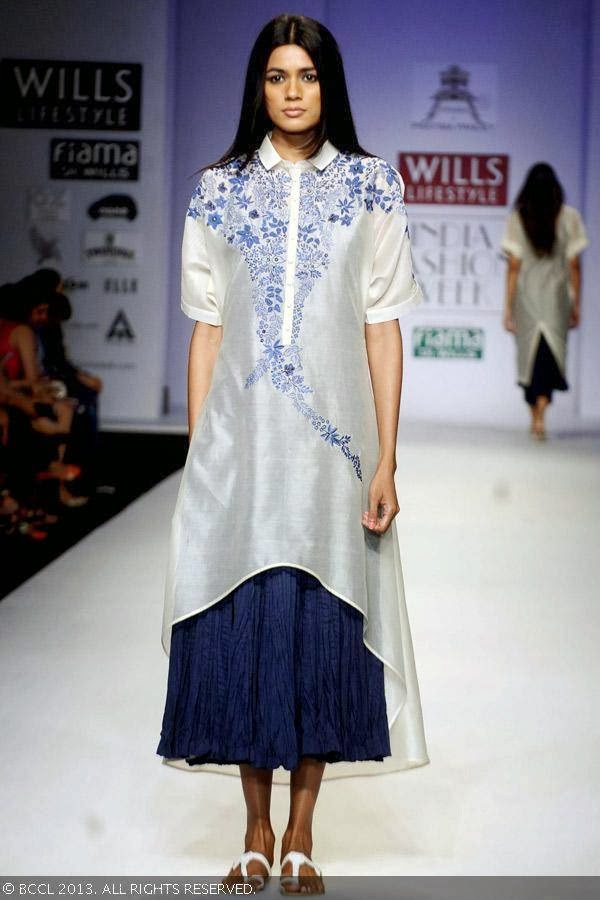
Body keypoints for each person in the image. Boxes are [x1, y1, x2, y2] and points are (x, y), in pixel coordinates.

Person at [157, 13, 429, 893]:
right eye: (277, 77)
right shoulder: (219, 188)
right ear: (259, 88)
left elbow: (381, 329)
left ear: (329, 85)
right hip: (241, 454)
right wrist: (203, 452)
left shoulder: (372, 186)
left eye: (306, 76)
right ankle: (253, 830)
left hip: (335, 459)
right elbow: (205, 330)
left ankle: (303, 830)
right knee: (243, 637)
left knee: (319, 637)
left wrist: (387, 458)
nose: (292, 91)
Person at [501, 163, 588, 439]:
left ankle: (534, 416)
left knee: (529, 357)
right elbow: (574, 264)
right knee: (550, 357)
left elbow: (514, 265)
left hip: (526, 298)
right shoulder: (569, 216)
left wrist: (507, 307)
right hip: (556, 298)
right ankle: (541, 412)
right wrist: (576, 303)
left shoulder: (519, 217)